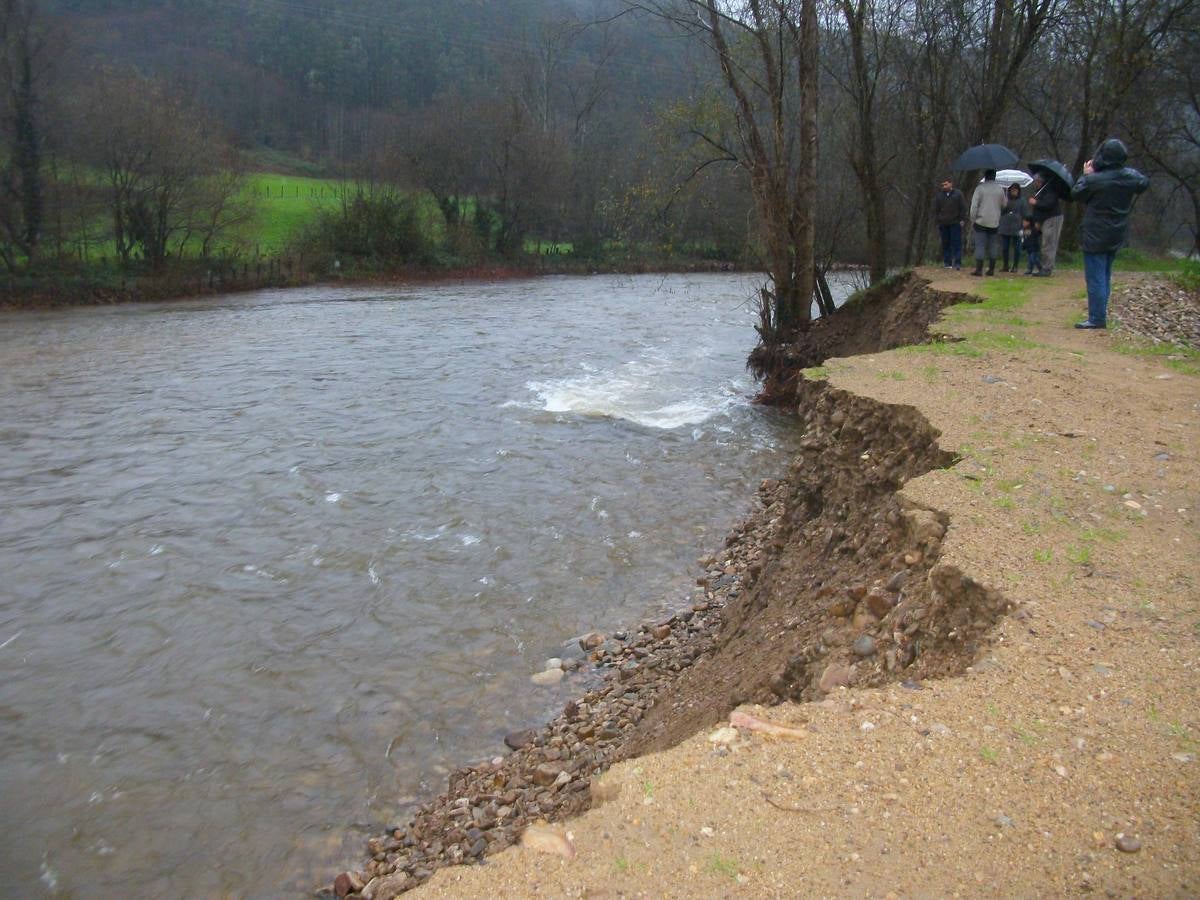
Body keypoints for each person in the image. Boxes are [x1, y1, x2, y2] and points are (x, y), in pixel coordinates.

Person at [1070, 138, 1150, 329]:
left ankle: (1097, 317)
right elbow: (1143, 182)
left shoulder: (1093, 180)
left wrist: (1086, 175)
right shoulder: (1129, 178)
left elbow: (1076, 193)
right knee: (1104, 275)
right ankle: (1099, 314)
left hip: (1095, 232)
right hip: (1116, 231)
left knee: (1096, 277)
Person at [969, 169, 1006, 276]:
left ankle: (979, 269)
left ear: (985, 177)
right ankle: (991, 269)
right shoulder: (1000, 189)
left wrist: (973, 219)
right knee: (993, 245)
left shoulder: (980, 188)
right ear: (995, 177)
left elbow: (974, 206)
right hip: (994, 221)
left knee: (980, 245)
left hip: (981, 221)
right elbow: (1004, 205)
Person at [1028, 175, 1064, 275]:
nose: (1035, 183)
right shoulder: (1040, 191)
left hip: (1052, 218)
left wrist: (1036, 202)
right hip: (1044, 220)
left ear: (1041, 181)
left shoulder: (1050, 190)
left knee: (1049, 243)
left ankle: (1047, 268)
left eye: (1037, 181)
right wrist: (1037, 221)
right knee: (1045, 244)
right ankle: (1045, 266)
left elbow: (1048, 204)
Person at [934, 178, 967, 269]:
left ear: (951, 184)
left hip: (955, 222)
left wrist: (962, 219)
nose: (944, 186)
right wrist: (938, 221)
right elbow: (936, 210)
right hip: (943, 223)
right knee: (945, 243)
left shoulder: (958, 194)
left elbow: (963, 208)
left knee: (956, 243)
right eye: (943, 185)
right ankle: (947, 263)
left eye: (946, 184)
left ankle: (957, 263)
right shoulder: (939, 196)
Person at [998, 183, 1026, 272]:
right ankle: (1005, 265)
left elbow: (1024, 212)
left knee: (1017, 248)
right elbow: (1001, 211)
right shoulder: (1005, 200)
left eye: (1016, 190)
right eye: (1012, 190)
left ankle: (1015, 266)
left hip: (1017, 226)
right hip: (1005, 226)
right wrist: (1005, 204)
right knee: (1005, 248)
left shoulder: (1022, 200)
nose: (1014, 191)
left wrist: (1024, 223)